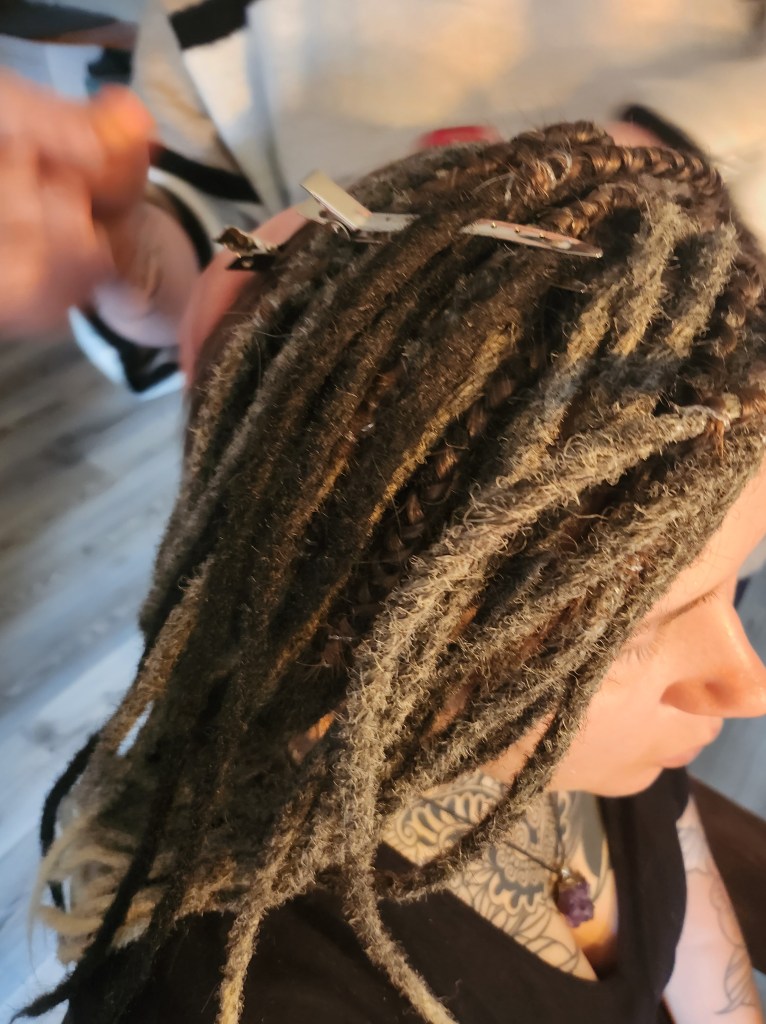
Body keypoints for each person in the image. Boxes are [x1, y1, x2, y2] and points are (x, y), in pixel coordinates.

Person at [23, 123, 766, 1024]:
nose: (747, 685)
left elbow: (702, 952)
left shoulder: (588, 725)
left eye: (732, 585)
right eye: (638, 631)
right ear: (394, 620)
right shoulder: (243, 993)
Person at [3, 0, 766, 395]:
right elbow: (236, 245)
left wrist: (667, 151)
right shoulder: (203, 20)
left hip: (698, 388)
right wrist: (127, 254)